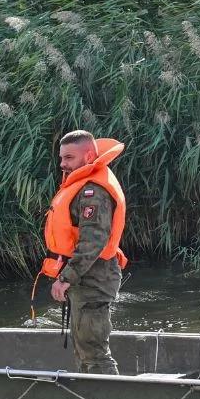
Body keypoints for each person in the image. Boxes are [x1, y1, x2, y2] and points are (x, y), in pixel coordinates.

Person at [43, 130, 128, 374]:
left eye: (69, 158)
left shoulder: (94, 192)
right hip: (86, 278)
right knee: (84, 349)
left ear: (88, 155)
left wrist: (65, 278)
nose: (62, 164)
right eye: (61, 158)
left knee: (94, 351)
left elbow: (93, 242)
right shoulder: (83, 185)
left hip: (94, 278)